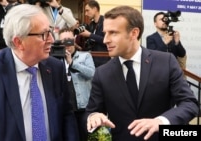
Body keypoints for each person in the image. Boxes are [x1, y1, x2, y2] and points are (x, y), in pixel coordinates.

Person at [0, 4, 79, 141]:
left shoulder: (55, 68)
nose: (52, 40)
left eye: (50, 32)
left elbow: (67, 116)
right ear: (19, 42)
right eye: (44, 34)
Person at [85, 5, 199, 141]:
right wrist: (93, 117)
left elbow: (189, 103)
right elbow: (90, 112)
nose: (105, 40)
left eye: (113, 33)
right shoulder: (102, 73)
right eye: (105, 33)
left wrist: (161, 122)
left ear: (134, 33)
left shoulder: (166, 62)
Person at [58, 28, 95, 141]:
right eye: (63, 40)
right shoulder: (56, 60)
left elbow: (92, 73)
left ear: (74, 39)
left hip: (82, 107)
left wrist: (72, 63)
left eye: (69, 39)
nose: (67, 43)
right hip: (65, 109)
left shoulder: (85, 56)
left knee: (84, 137)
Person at [78, 0, 110, 67]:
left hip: (103, 61)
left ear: (95, 9)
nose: (85, 14)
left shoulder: (105, 22)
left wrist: (90, 35)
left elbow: (107, 40)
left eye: (87, 10)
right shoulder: (91, 24)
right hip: (92, 60)